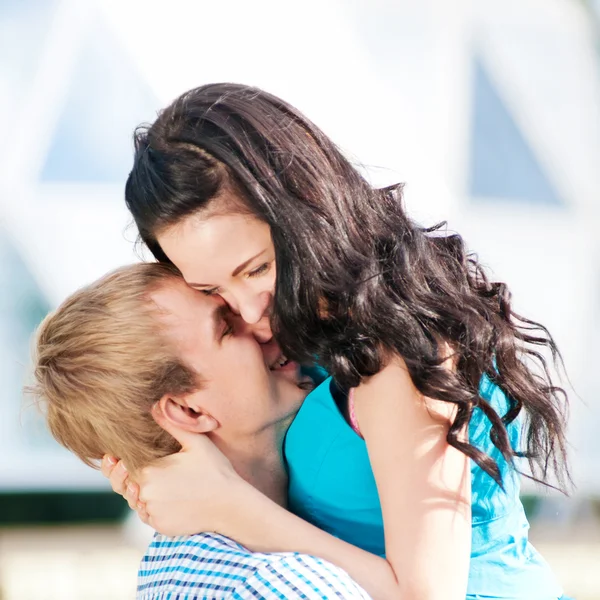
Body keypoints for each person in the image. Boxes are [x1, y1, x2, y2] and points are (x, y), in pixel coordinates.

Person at [102, 83, 570, 599]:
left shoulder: (398, 350)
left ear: (305, 208)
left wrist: (230, 506)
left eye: (258, 268)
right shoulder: (301, 337)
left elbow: (425, 595)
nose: (251, 311)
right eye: (213, 290)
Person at [31, 263, 371, 600]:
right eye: (226, 328)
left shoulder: (182, 564)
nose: (264, 326)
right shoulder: (277, 584)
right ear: (188, 411)